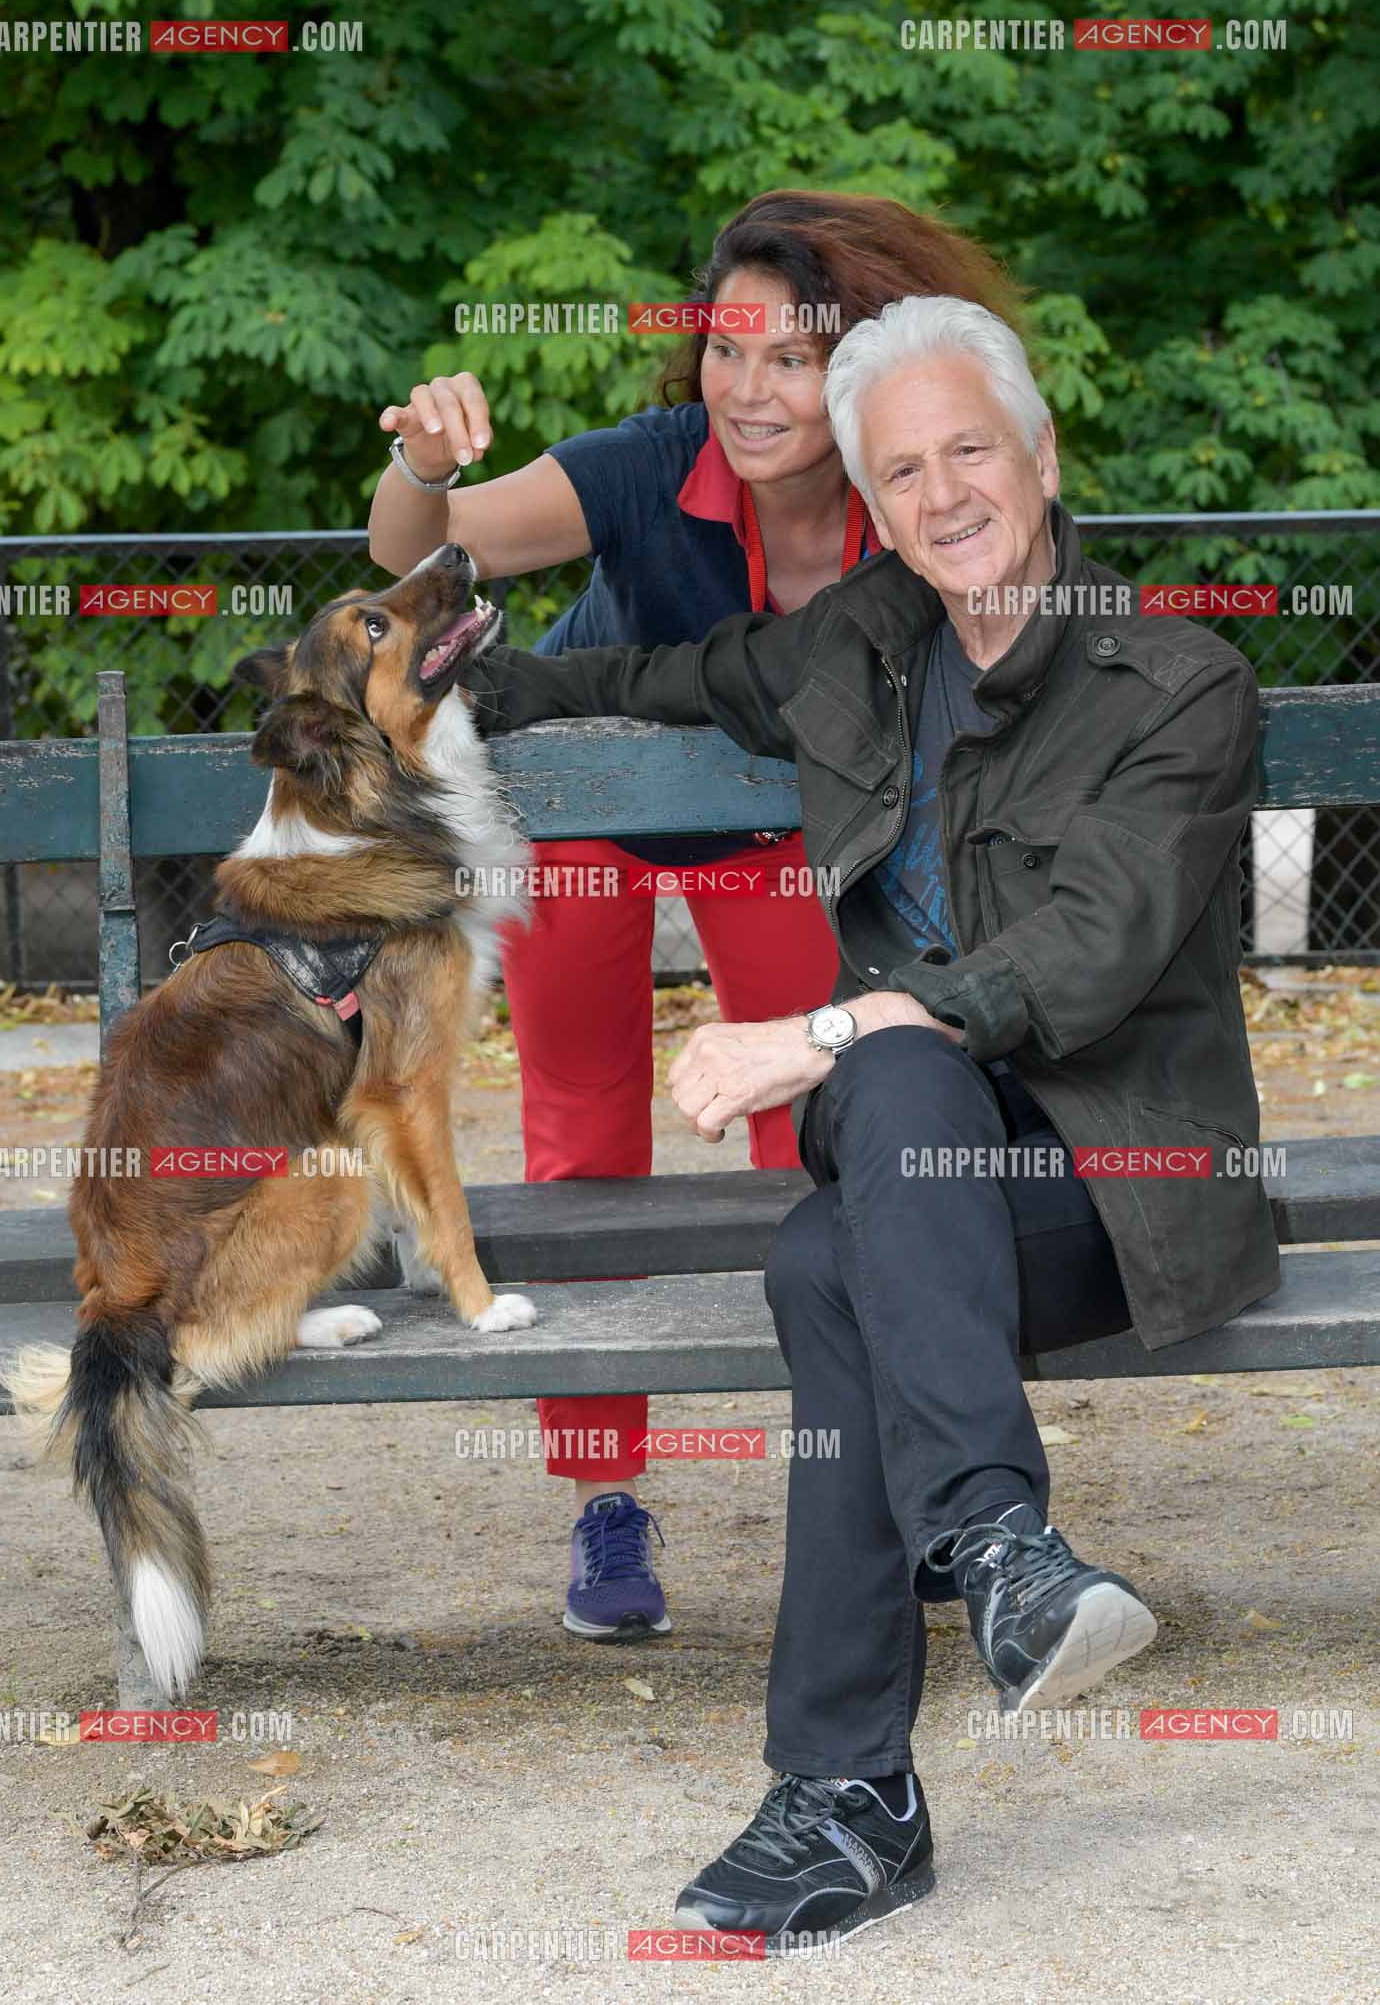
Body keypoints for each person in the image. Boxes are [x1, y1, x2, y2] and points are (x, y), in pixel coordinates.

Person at [457, 293, 1281, 1947]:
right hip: (925, 1171)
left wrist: (810, 1031)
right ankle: (999, 1551)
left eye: (969, 449)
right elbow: (644, 669)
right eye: (900, 471)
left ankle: (852, 1795)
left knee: (830, 1250)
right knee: (894, 1104)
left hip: (1111, 1192)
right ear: (873, 496)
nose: (941, 495)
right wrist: (449, 689)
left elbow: (1083, 956)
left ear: (1041, 456)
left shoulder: (1178, 682)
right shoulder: (858, 644)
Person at [369, 193, 1024, 1643]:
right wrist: (419, 464)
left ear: (853, 366)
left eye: (791, 357)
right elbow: (419, 553)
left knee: (837, 1129)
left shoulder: (902, 483)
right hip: (592, 805)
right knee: (587, 1132)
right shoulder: (650, 463)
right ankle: (606, 1499)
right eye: (727, 349)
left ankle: (895, 1473)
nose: (748, 387)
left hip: (787, 829)